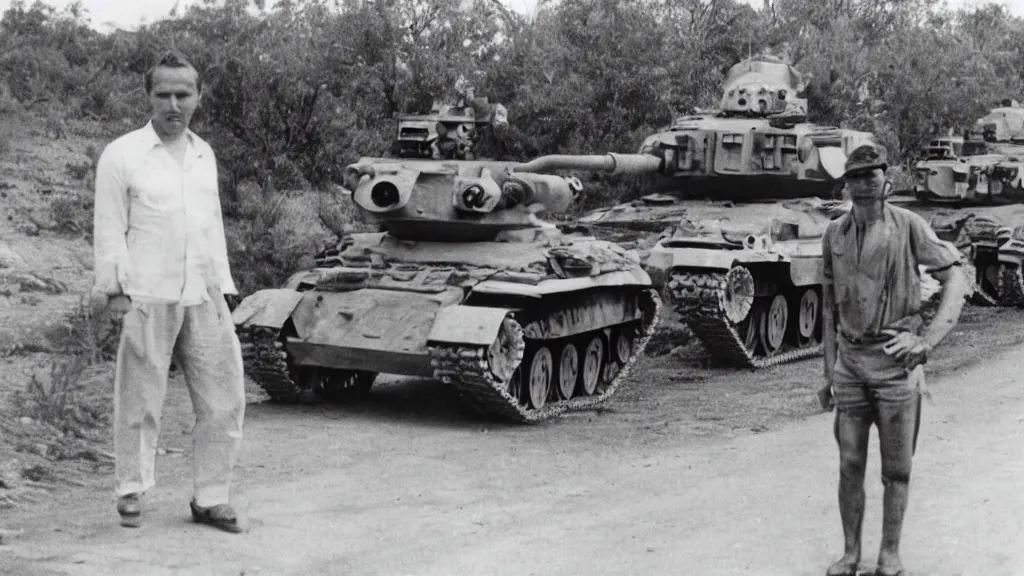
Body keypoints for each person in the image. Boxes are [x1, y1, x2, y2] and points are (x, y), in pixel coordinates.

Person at [90, 50, 246, 533]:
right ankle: (131, 490)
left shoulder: (204, 154)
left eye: (184, 94)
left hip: (204, 293)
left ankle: (211, 498)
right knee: (139, 398)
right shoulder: (122, 155)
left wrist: (224, 283)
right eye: (164, 94)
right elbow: (110, 229)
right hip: (146, 296)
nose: (174, 104)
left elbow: (211, 223)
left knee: (224, 398)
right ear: (148, 96)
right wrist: (114, 291)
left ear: (198, 96)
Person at [818, 143, 968, 576]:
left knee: (896, 469)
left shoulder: (909, 226)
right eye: (856, 176)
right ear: (845, 184)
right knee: (849, 463)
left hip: (895, 365)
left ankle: (890, 554)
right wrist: (828, 374)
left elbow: (955, 274)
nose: (864, 184)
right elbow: (828, 307)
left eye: (872, 175)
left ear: (887, 180)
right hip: (850, 365)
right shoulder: (835, 233)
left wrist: (928, 342)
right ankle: (850, 554)